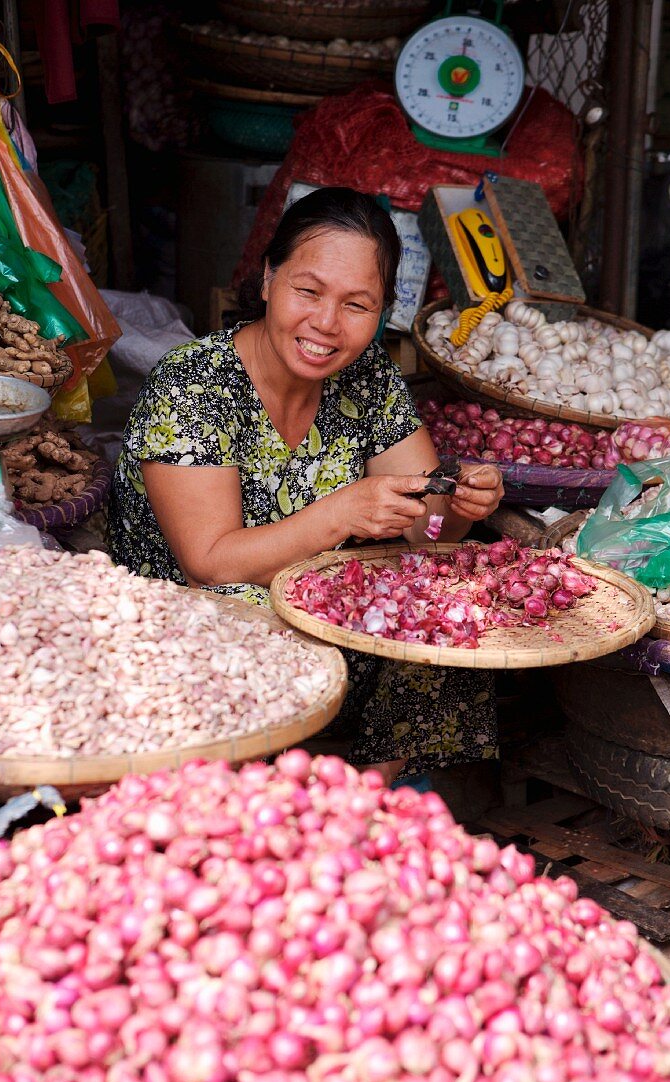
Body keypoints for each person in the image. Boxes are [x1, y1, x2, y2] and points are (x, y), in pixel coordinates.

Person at [108, 187, 504, 784]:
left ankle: (374, 797)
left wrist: (463, 505)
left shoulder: (367, 376)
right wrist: (343, 514)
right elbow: (211, 563)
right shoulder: (193, 387)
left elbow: (432, 533)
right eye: (308, 291)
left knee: (448, 603)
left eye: (357, 304)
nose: (326, 323)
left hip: (315, 604)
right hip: (192, 618)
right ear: (268, 279)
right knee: (261, 618)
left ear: (382, 311)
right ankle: (248, 808)